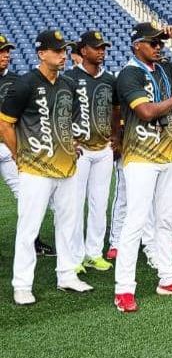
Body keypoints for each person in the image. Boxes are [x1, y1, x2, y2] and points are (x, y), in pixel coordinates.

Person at [113, 22, 172, 312]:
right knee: (136, 222)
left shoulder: (165, 67)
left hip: (167, 156)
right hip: (141, 157)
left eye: (160, 43)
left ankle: (168, 279)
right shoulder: (129, 74)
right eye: (152, 43)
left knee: (166, 220)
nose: (159, 47)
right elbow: (146, 111)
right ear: (136, 45)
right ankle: (124, 290)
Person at [0, 30, 94, 305]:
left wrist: (71, 144)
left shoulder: (67, 84)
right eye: (56, 51)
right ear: (42, 54)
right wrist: (20, 157)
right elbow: (5, 124)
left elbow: (70, 119)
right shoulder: (25, 83)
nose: (62, 55)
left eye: (64, 50)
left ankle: (66, 275)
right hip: (35, 169)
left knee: (67, 223)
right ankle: (22, 284)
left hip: (66, 168)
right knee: (28, 228)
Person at [66, 30, 118, 273]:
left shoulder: (109, 79)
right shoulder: (70, 78)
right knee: (75, 204)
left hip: (104, 149)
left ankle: (94, 253)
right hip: (80, 150)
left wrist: (115, 136)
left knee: (99, 204)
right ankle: (74, 257)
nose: (101, 51)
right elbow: (60, 112)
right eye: (96, 47)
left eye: (103, 47)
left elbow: (117, 108)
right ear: (83, 50)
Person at [0, 33, 56, 256]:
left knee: (26, 196)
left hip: (9, 145)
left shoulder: (17, 81)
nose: (5, 55)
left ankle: (33, 240)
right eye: (1, 52)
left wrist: (17, 151)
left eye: (7, 51)